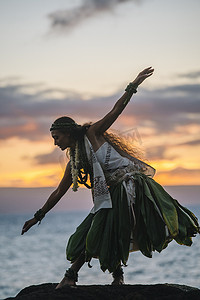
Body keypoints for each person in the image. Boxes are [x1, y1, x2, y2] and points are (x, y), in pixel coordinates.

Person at [21, 67, 199, 288]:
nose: (55, 142)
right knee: (101, 231)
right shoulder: (74, 162)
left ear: (67, 133)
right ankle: (114, 277)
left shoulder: (92, 134)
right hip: (112, 194)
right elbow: (59, 191)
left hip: (130, 186)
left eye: (56, 137)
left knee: (103, 229)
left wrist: (133, 85)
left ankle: (70, 278)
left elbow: (115, 111)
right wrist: (38, 217)